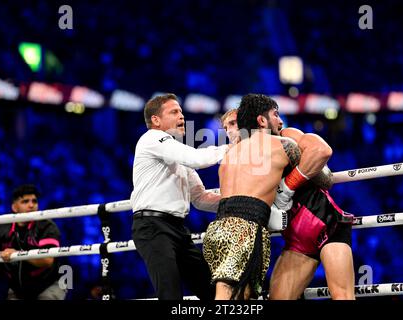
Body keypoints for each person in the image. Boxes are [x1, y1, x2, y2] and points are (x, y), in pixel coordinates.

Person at [202, 94, 332, 300]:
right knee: (227, 297)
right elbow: (325, 177)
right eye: (276, 115)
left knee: (243, 296)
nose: (280, 121)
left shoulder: (229, 154)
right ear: (261, 120)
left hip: (218, 229)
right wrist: (287, 186)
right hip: (246, 229)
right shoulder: (280, 145)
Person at [130, 93, 228, 300]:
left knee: (211, 292)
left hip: (177, 229)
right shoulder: (152, 138)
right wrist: (236, 147)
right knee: (171, 295)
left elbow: (200, 198)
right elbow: (197, 158)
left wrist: (238, 202)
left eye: (181, 111)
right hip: (153, 226)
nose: (181, 116)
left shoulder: (176, 154)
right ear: (156, 120)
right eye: (174, 112)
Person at [269, 127, 356, 300]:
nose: (279, 121)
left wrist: (286, 188)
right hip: (296, 240)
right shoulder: (246, 156)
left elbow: (324, 165)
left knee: (342, 296)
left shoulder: (287, 136)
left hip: (328, 224)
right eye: (228, 126)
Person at [0, 184, 66, 300]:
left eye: (34, 201)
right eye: (25, 201)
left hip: (49, 283)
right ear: (14, 207)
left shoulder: (47, 226)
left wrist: (17, 254)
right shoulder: (1, 228)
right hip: (18, 287)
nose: (31, 205)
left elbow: (47, 260)